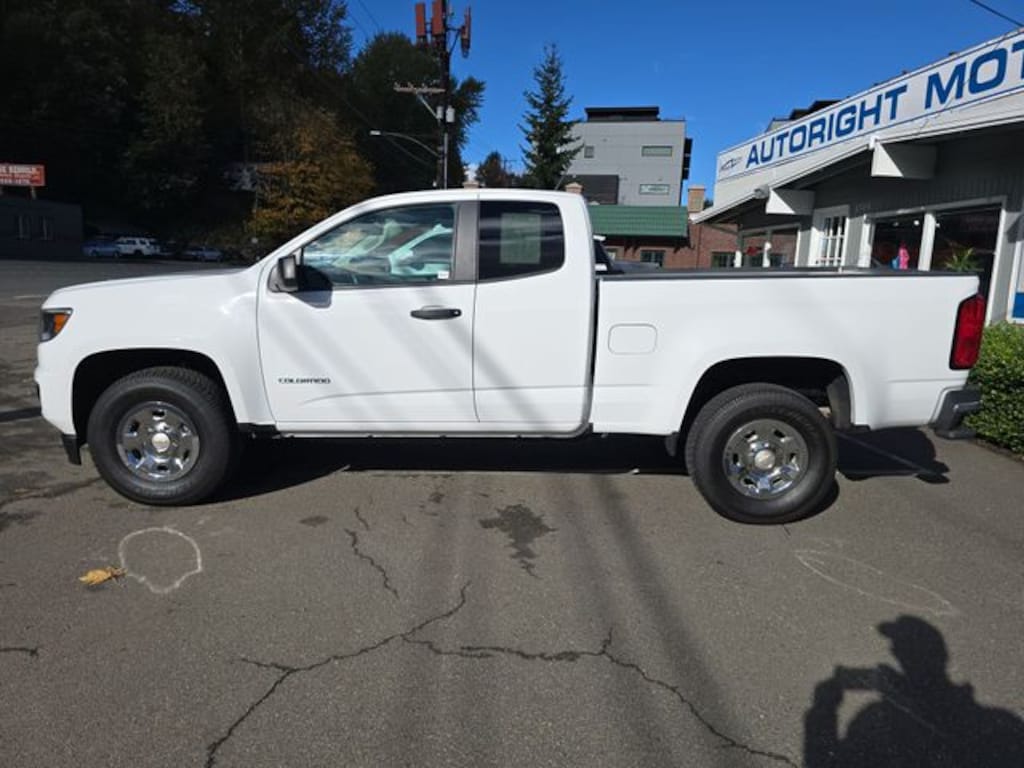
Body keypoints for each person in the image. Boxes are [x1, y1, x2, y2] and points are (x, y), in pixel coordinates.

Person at [804, 616, 1024, 767]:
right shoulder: (1004, 725)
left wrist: (823, 709)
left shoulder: (874, 720)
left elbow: (823, 761)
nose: (892, 649)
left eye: (898, 646)